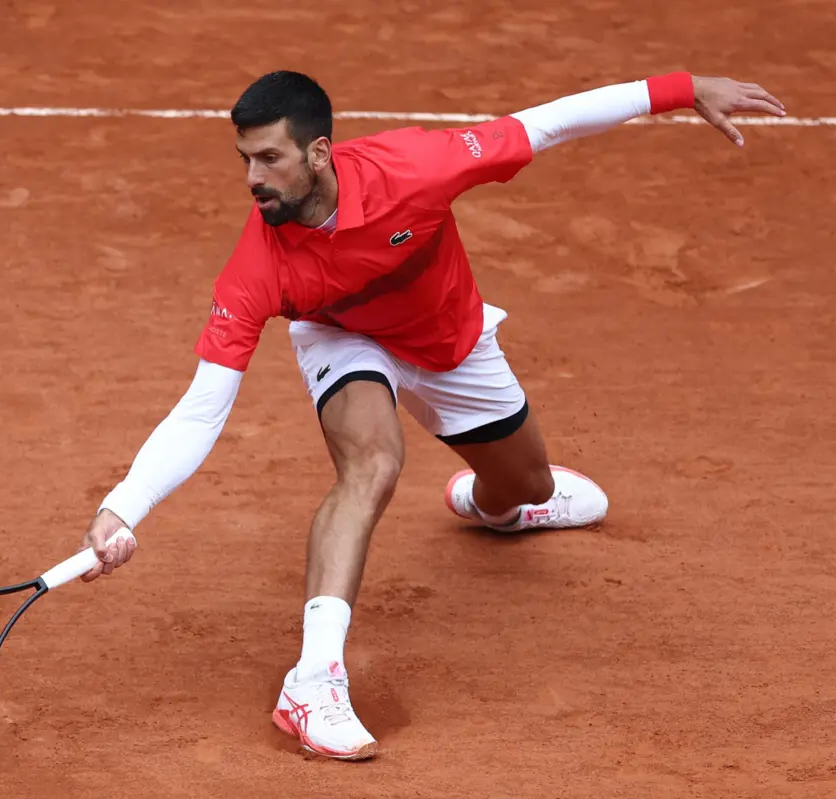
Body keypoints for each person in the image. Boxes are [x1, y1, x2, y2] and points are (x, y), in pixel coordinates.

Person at [75, 69, 785, 760]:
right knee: (372, 464)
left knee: (529, 485)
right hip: (345, 337)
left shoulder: (414, 167)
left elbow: (547, 123)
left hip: (450, 339)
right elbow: (204, 409)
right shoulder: (258, 264)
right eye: (244, 160)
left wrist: (682, 88)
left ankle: (494, 504)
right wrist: (124, 505)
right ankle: (313, 682)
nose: (252, 178)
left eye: (269, 158)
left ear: (318, 152)